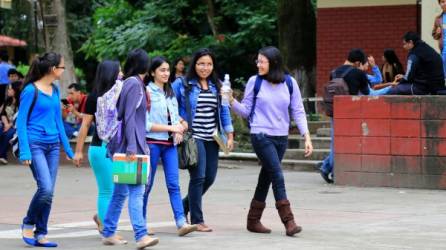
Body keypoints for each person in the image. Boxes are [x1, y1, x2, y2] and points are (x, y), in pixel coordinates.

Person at [229, 46, 312, 237]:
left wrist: (306, 136)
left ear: (273, 62)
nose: (258, 64)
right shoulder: (254, 82)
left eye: (262, 61)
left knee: (266, 177)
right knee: (277, 174)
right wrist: (231, 100)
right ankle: (289, 221)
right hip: (260, 135)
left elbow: (298, 110)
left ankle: (253, 220)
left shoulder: (289, 83)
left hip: (281, 137)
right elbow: (246, 111)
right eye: (257, 61)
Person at [101, 49, 159, 248]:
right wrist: (133, 147)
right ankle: (141, 235)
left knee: (120, 192)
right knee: (137, 191)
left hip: (127, 145)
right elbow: (129, 117)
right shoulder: (134, 84)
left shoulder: (129, 83)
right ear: (145, 64)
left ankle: (108, 231)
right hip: (132, 147)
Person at [172, 48, 234, 232]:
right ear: (195, 64)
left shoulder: (218, 85)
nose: (205, 68)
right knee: (198, 177)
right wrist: (179, 122)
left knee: (210, 177)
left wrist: (230, 134)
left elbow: (224, 111)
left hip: (213, 137)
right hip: (193, 137)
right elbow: (170, 105)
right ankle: (197, 220)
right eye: (201, 64)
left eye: (208, 64)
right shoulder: (182, 84)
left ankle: (183, 207)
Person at [17, 52, 74, 247]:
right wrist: (25, 151)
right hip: (35, 144)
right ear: (52, 69)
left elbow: (58, 121)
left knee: (49, 192)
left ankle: (41, 233)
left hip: (52, 146)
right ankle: (28, 222)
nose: (63, 70)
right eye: (62, 67)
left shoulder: (55, 90)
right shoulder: (30, 91)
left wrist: (68, 149)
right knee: (46, 188)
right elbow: (21, 122)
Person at [142, 56, 197, 236]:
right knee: (146, 184)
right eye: (162, 70)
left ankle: (181, 222)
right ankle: (141, 222)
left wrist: (180, 126)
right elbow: (146, 124)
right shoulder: (146, 92)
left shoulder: (170, 92)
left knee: (174, 184)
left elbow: (173, 115)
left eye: (167, 70)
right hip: (152, 143)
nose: (166, 73)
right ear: (152, 72)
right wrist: (171, 127)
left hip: (170, 145)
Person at [73, 60, 122, 234]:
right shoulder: (94, 97)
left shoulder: (119, 93)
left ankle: (102, 218)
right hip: (100, 148)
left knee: (119, 189)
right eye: (119, 70)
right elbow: (85, 125)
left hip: (118, 149)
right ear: (111, 73)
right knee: (107, 190)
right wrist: (78, 151)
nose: (121, 73)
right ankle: (108, 230)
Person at [318, 48, 370, 184]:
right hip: (351, 112)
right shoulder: (358, 73)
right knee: (342, 142)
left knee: (335, 140)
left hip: (335, 111)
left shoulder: (334, 72)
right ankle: (330, 169)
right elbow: (367, 93)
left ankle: (328, 167)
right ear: (358, 62)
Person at [0, 81, 21, 164]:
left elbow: (20, 117)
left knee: (8, 134)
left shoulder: (21, 102)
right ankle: (2, 156)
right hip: (6, 124)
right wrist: (6, 124)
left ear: (15, 90)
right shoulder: (7, 100)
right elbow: (3, 114)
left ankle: (2, 156)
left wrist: (9, 125)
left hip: (16, 126)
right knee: (1, 132)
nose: (8, 91)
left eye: (10, 89)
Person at [433, 0, 446, 76]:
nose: (445, 3)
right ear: (440, 4)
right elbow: (434, 34)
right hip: (444, 50)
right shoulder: (438, 19)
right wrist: (437, 33)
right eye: (442, 1)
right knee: (443, 73)